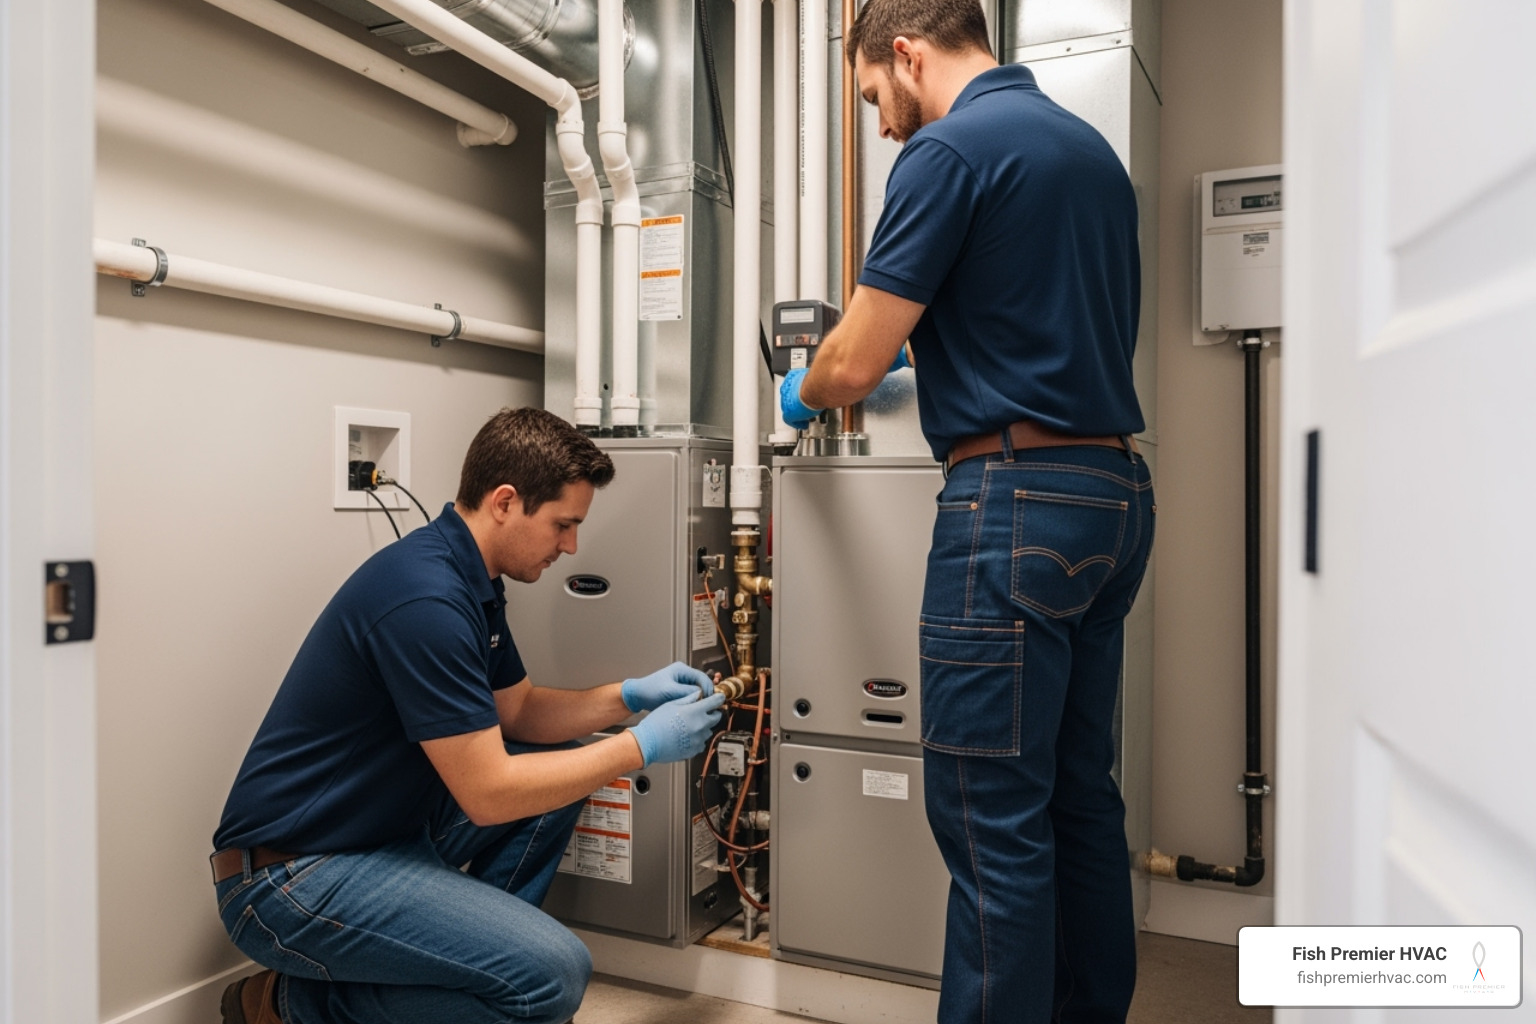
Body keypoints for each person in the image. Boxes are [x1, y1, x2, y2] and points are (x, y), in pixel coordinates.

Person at [779, 2, 1154, 1021]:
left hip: (1012, 504)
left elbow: (852, 359)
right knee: (1079, 796)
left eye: (873, 100)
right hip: (1113, 499)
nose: (886, 127)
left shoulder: (947, 154)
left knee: (991, 817)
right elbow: (1037, 314)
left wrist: (803, 389)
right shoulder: (1092, 157)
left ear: (904, 52)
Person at [210, 406, 727, 1024]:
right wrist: (639, 747)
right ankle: (291, 1006)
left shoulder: (469, 578)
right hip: (290, 878)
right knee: (553, 976)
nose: (572, 545)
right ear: (505, 501)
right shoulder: (425, 598)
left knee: (558, 776)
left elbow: (520, 712)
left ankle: (468, 963)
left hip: (377, 839)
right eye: (563, 524)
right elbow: (488, 794)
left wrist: (629, 697)